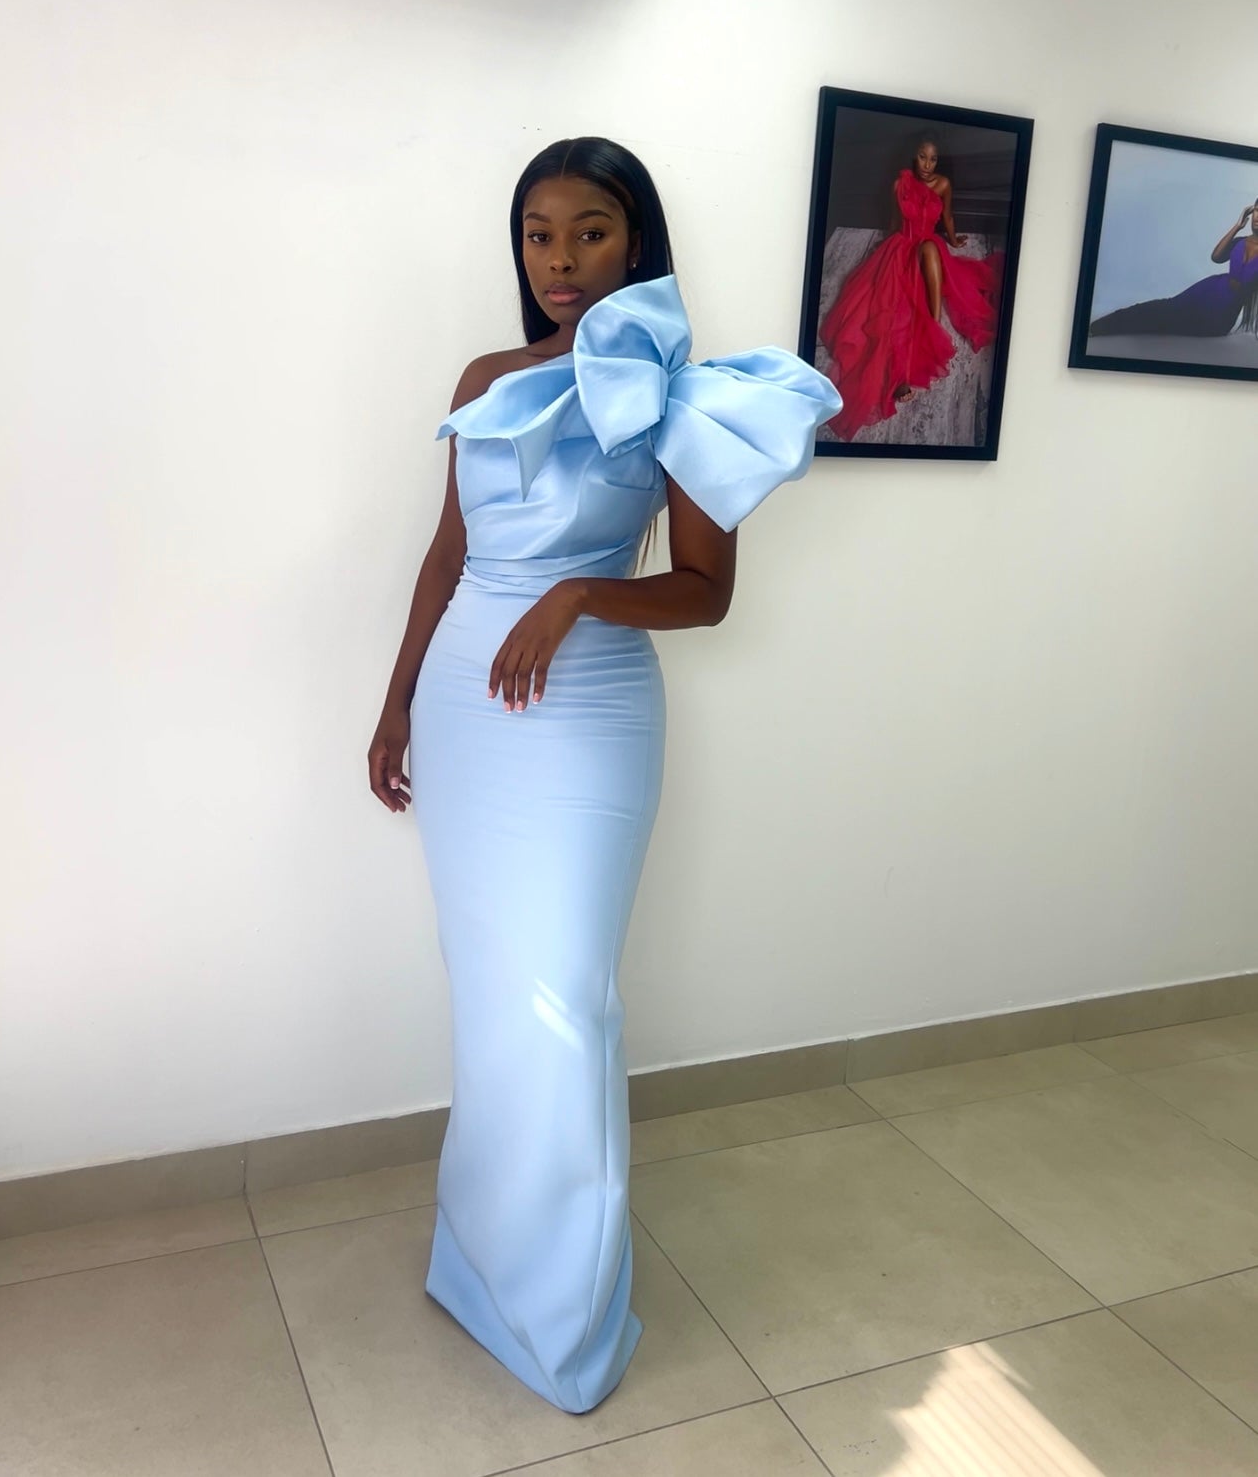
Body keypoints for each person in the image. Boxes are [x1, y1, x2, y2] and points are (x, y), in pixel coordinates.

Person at [367, 136, 841, 1414]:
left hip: (585, 714)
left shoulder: (686, 394)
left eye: (590, 231)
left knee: (565, 998)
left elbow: (705, 591)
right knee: (490, 995)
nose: (561, 259)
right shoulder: (486, 378)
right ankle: (480, 1266)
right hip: (466, 708)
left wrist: (579, 592)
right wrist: (397, 703)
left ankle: (562, 1322)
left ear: (637, 243)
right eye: (539, 234)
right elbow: (446, 556)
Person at [820, 132, 1002, 442]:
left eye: (933, 159)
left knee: (930, 249)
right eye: (922, 157)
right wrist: (884, 250)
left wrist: (953, 239)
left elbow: (947, 216)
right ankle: (897, 377)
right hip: (902, 245)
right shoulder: (899, 184)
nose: (927, 165)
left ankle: (933, 323)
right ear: (913, 157)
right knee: (892, 311)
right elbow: (895, 221)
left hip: (929, 248)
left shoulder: (943, 184)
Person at [1088, 200, 1258, 338]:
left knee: (1167, 322)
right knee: (1161, 308)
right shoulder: (1240, 241)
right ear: (1252, 212)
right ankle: (1099, 327)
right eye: (1257, 210)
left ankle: (1102, 328)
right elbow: (1216, 257)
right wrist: (1237, 226)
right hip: (1208, 289)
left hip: (1220, 316)